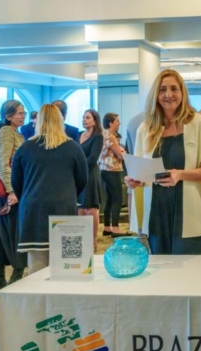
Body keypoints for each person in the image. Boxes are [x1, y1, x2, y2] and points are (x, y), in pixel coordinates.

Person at [125, 69, 201, 254]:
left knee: (191, 265)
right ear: (156, 94)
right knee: (161, 266)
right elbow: (140, 171)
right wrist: (133, 180)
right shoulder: (145, 129)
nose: (168, 94)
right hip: (156, 209)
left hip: (190, 207)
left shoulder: (199, 123)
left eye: (174, 89)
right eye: (162, 90)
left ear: (182, 93)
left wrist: (180, 174)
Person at [11, 104, 88, 274]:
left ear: (38, 121)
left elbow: (16, 182)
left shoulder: (25, 148)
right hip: (64, 205)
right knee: (69, 267)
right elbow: (82, 179)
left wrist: (28, 196)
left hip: (33, 207)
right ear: (60, 121)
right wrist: (69, 194)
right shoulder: (73, 147)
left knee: (36, 268)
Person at [0, 100, 27, 294]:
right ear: (8, 116)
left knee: (3, 233)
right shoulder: (6, 132)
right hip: (7, 193)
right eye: (19, 113)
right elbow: (2, 164)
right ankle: (14, 279)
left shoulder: (13, 132)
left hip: (8, 192)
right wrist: (11, 191)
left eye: (23, 112)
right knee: (13, 234)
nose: (23, 116)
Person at [99, 112, 129, 237]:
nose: (119, 123)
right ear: (110, 123)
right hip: (112, 171)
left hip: (103, 170)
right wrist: (124, 152)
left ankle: (107, 227)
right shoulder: (111, 137)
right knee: (118, 199)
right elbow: (120, 155)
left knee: (110, 200)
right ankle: (116, 229)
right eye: (117, 121)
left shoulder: (102, 134)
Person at [78, 109, 103, 250]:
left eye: (87, 117)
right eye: (83, 117)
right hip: (79, 176)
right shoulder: (79, 135)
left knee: (90, 208)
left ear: (95, 121)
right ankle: (83, 239)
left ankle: (92, 240)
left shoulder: (97, 137)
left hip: (91, 174)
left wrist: (77, 167)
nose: (84, 119)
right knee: (80, 208)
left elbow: (93, 158)